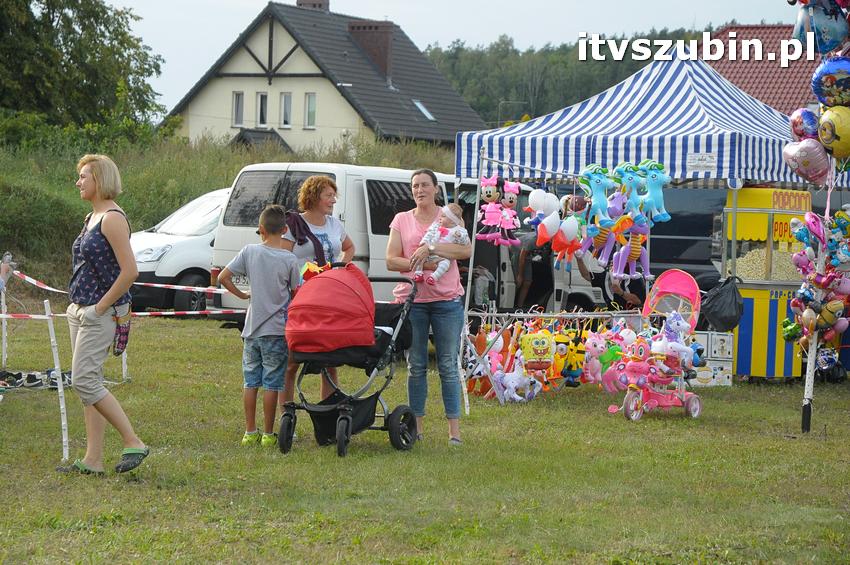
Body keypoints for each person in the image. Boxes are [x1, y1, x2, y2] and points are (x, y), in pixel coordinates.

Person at [59, 154, 147, 475]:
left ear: (100, 179)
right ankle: (92, 460)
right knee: (87, 385)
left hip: (100, 311)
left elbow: (130, 271)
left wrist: (100, 307)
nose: (78, 181)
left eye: (84, 176)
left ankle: (133, 440)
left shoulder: (112, 218)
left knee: (83, 380)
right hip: (79, 309)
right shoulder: (90, 217)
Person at [386, 169, 472, 446]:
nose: (419, 190)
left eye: (424, 185)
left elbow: (466, 251)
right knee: (416, 365)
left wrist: (432, 247)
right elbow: (391, 261)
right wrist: (423, 261)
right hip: (414, 301)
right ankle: (417, 428)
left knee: (448, 364)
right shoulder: (401, 219)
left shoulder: (448, 217)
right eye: (415, 186)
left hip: (446, 301)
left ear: (436, 188)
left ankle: (454, 432)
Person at [219, 205, 300, 447]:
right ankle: (268, 433)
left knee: (250, 381)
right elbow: (296, 292)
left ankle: (249, 431)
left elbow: (223, 276)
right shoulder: (289, 259)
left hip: (251, 329)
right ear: (285, 230)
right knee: (272, 383)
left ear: (261, 229)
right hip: (276, 330)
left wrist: (243, 295)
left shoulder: (249, 251)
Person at [282, 175, 354, 402]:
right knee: (292, 359)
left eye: (334, 195)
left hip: (328, 296)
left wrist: (341, 267)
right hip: (301, 296)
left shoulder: (335, 224)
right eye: (328, 196)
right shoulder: (294, 224)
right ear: (313, 197)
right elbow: (283, 259)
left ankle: (328, 412)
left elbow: (349, 247)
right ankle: (287, 413)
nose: (333, 200)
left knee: (330, 358)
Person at [412, 203, 470, 285]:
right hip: (428, 252)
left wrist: (460, 237)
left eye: (443, 216)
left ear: (451, 219)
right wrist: (424, 242)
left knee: (445, 264)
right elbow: (429, 234)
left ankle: (434, 277)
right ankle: (418, 273)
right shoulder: (436, 226)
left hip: (444, 256)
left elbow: (465, 243)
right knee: (419, 257)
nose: (440, 218)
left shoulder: (458, 230)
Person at [516, 232, 552, 309]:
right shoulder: (532, 241)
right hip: (517, 254)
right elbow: (522, 257)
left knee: (528, 282)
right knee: (518, 282)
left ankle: (520, 306)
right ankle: (513, 304)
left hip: (528, 257)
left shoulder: (547, 242)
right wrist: (520, 275)